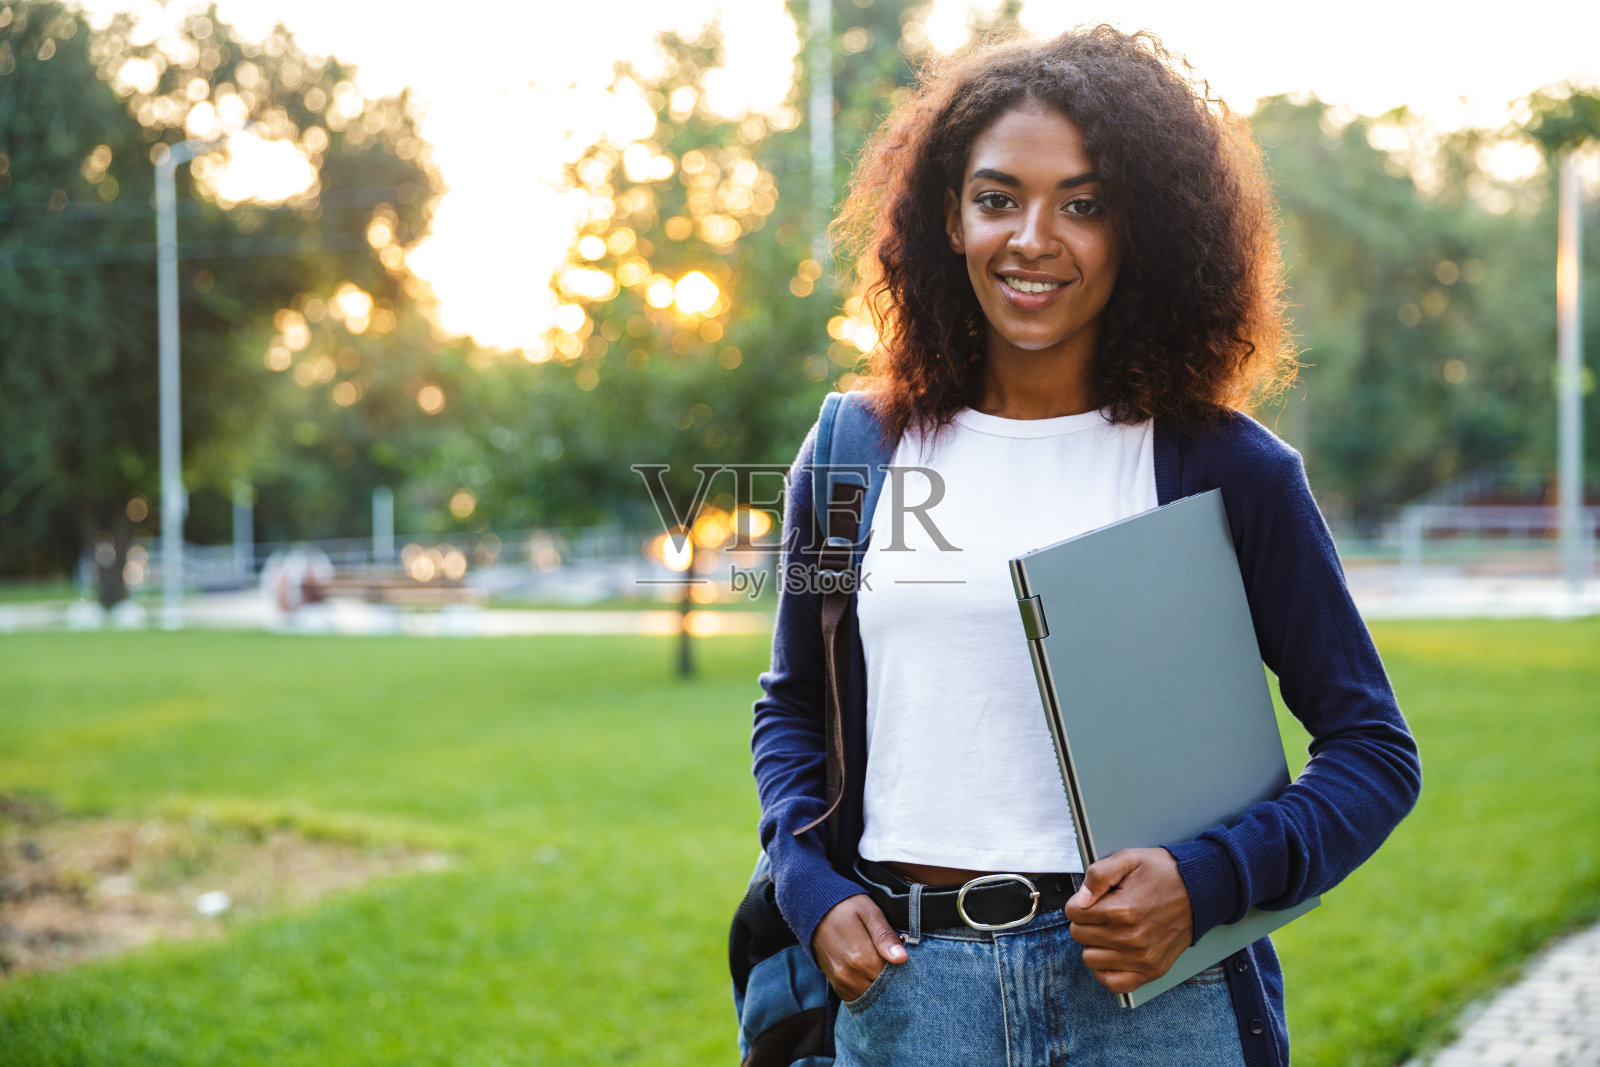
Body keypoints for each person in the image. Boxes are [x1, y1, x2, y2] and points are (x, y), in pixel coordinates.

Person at [750, 25, 1421, 1067]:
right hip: (909, 987)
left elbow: (1373, 751)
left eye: (1084, 203)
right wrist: (809, 887)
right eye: (997, 197)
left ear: (1139, 227)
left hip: (1158, 995)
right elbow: (792, 702)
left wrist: (1207, 879)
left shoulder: (1225, 468)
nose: (1033, 237)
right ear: (948, 215)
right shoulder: (850, 451)